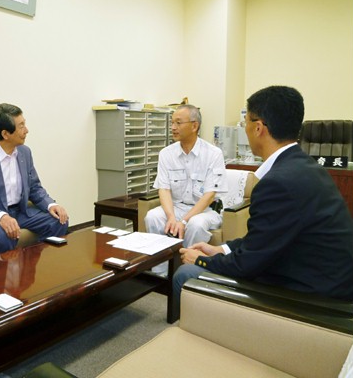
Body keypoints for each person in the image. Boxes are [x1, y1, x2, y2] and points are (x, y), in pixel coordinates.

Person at [175, 85, 353, 314]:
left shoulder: (278, 183)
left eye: (245, 123)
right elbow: (265, 238)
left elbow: (247, 264)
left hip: (313, 297)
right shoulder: (305, 167)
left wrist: (201, 260)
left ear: (258, 128)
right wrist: (222, 249)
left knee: (186, 275)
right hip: (326, 280)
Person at [0, 103, 69, 254]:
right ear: (5, 134)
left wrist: (51, 205)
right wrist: (2, 217)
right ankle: (1, 270)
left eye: (24, 124)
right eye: (21, 126)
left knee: (60, 220)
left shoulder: (24, 152)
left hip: (21, 212)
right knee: (5, 235)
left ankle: (34, 262)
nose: (26, 130)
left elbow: (34, 188)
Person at [144, 104, 227, 274]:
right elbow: (164, 189)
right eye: (172, 123)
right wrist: (171, 217)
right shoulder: (166, 154)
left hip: (205, 210)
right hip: (177, 207)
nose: (173, 127)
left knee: (196, 224)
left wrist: (183, 221)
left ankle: (185, 272)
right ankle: (160, 273)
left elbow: (209, 195)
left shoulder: (213, 154)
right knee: (153, 217)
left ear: (194, 126)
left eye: (178, 123)